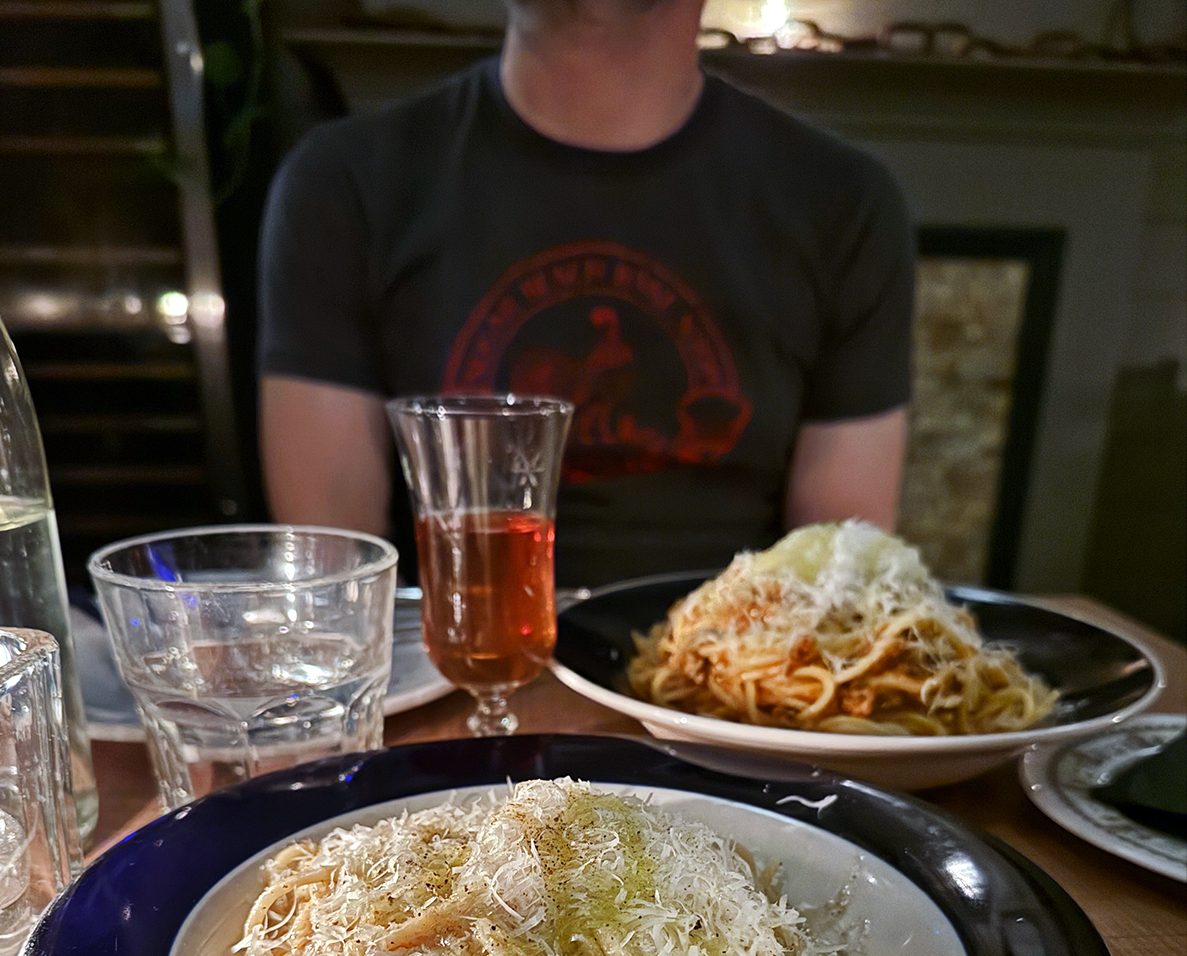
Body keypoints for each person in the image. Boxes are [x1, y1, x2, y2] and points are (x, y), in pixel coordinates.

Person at [257, 0, 914, 587]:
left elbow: (837, 566)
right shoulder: (339, 184)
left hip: (725, 699)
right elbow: (334, 577)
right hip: (451, 680)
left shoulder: (844, 202)